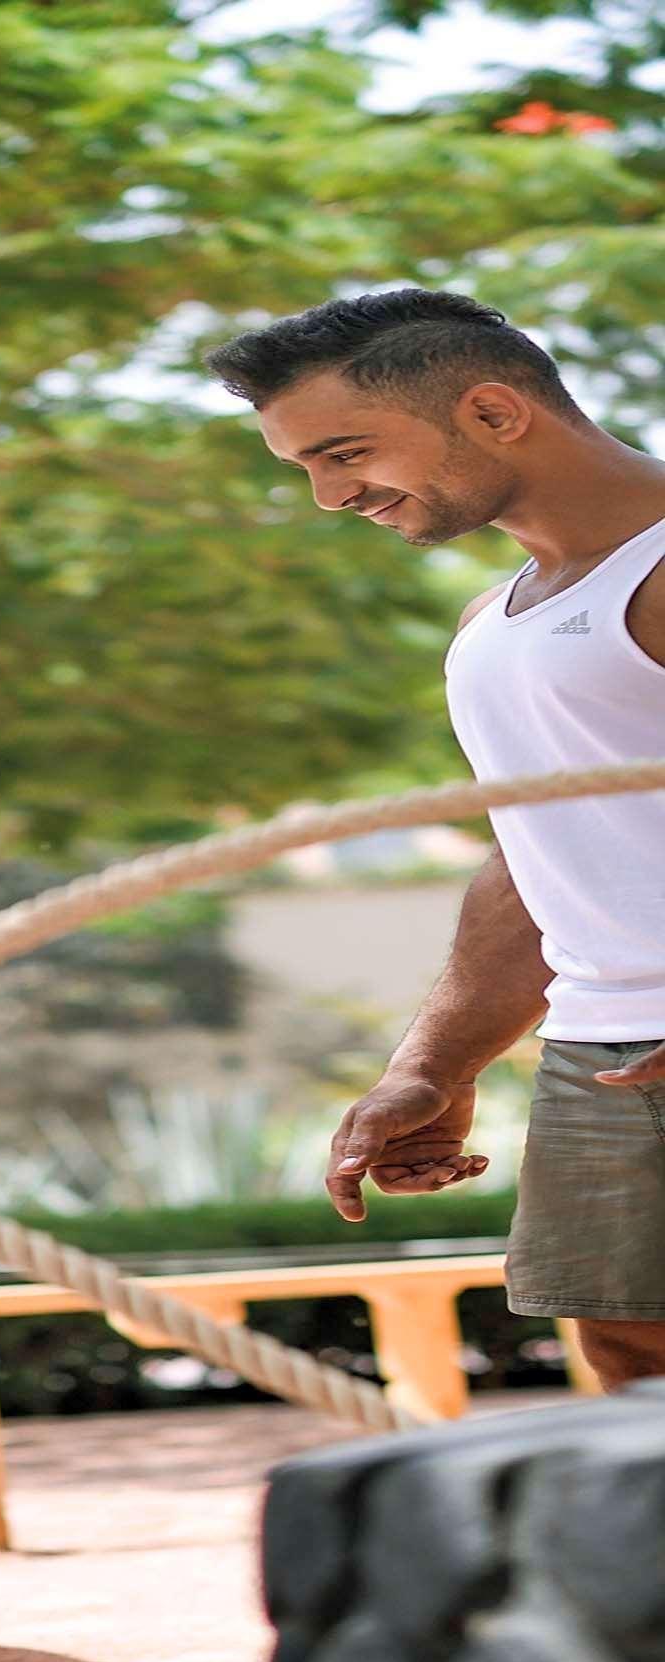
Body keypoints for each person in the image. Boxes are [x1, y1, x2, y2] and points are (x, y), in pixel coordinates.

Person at [208, 288, 665, 1387]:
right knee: (631, 1362)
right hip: (602, 1048)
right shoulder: (492, 626)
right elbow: (537, 863)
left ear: (497, 413)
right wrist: (435, 1066)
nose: (329, 495)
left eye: (346, 452)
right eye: (306, 467)